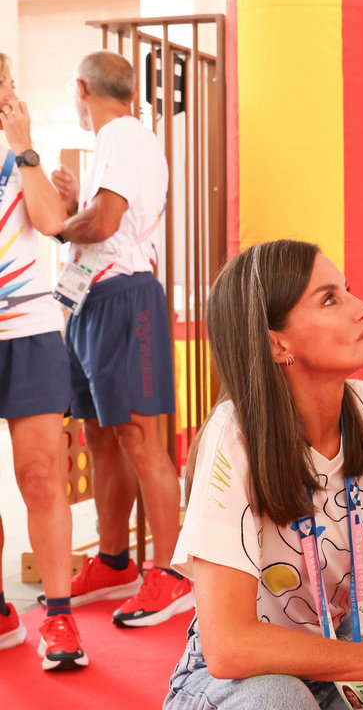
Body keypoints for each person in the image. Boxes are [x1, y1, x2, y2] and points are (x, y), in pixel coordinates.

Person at [165, 240, 363, 710]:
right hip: (235, 681)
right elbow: (228, 646)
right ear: (278, 342)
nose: (362, 308)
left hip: (337, 659)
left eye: (348, 291)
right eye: (330, 299)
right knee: (281, 701)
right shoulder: (232, 436)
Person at [47, 50, 192, 627]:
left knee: (137, 437)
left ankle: (173, 574)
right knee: (101, 436)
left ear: (80, 88)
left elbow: (103, 226)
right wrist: (72, 206)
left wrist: (59, 222)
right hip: (90, 300)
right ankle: (113, 562)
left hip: (125, 299)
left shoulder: (126, 135)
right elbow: (103, 223)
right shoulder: (114, 142)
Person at [0, 51, 87, 670]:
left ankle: (59, 618)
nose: (7, 90)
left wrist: (25, 147)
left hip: (29, 331)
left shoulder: (20, 154)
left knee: (40, 478)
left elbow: (55, 223)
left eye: (7, 81)